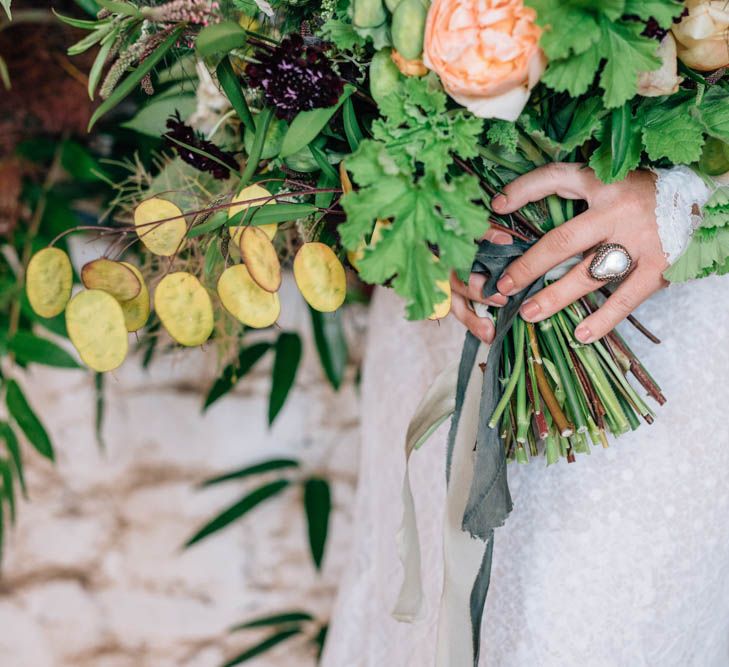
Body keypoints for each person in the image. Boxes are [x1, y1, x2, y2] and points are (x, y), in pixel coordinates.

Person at [320, 164, 729, 666]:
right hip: (446, 306)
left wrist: (678, 201)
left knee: (590, 625)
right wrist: (413, 218)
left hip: (676, 295)